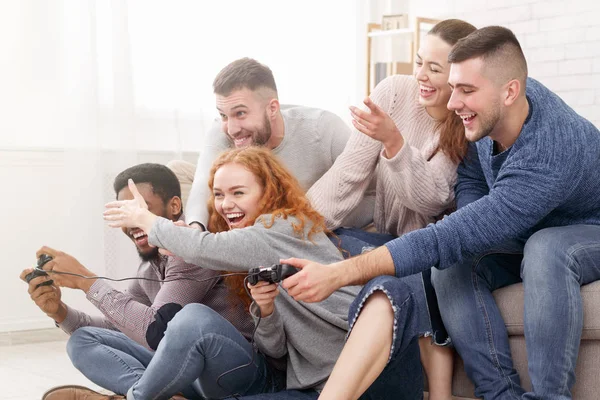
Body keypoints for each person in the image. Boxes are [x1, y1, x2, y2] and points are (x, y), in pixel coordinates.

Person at [280, 26, 600, 400]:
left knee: (546, 248)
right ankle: (502, 394)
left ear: (510, 91)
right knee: (451, 264)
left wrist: (339, 274)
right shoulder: (496, 111)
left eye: (466, 91)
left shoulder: (547, 152)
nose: (451, 103)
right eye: (455, 86)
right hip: (529, 220)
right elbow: (471, 175)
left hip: (587, 227)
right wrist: (475, 220)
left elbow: (447, 235)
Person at [102, 147, 424, 400]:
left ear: (268, 193)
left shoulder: (279, 228)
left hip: (375, 382)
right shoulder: (255, 254)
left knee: (391, 289)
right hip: (316, 389)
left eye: (238, 193)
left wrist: (147, 220)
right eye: (218, 194)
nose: (226, 204)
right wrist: (266, 311)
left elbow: (206, 246)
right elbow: (276, 352)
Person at [308, 19, 476, 400]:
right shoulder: (395, 93)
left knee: (413, 263)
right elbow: (347, 175)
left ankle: (438, 391)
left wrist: (394, 141)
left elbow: (430, 197)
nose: (421, 76)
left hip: (428, 255)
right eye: (419, 62)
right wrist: (292, 225)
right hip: (383, 240)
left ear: (462, 77)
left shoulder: (467, 119)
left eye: (435, 69)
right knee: (329, 243)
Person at [23, 163, 253, 400]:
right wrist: (59, 312)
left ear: (174, 205)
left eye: (140, 208)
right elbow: (120, 326)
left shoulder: (193, 247)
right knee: (82, 340)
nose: (131, 221)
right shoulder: (149, 266)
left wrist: (86, 280)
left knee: (175, 325)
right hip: (187, 373)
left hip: (229, 372)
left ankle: (138, 397)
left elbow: (154, 331)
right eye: (124, 212)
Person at [184, 57, 374, 232]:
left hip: (309, 224)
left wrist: (312, 223)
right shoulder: (221, 132)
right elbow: (202, 183)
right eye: (223, 115)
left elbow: (372, 194)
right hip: (247, 221)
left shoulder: (323, 129)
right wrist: (194, 227)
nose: (232, 129)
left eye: (240, 113)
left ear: (272, 108)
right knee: (177, 171)